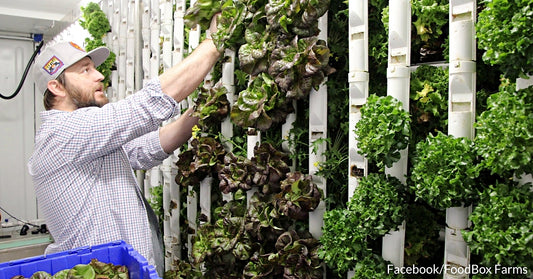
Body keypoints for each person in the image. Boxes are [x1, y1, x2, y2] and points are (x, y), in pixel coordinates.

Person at [27, 15, 221, 276]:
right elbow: (145, 106)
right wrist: (213, 43)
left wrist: (201, 110)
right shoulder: (63, 132)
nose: (99, 75)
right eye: (85, 70)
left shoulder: (87, 141)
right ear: (56, 87)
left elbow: (145, 149)